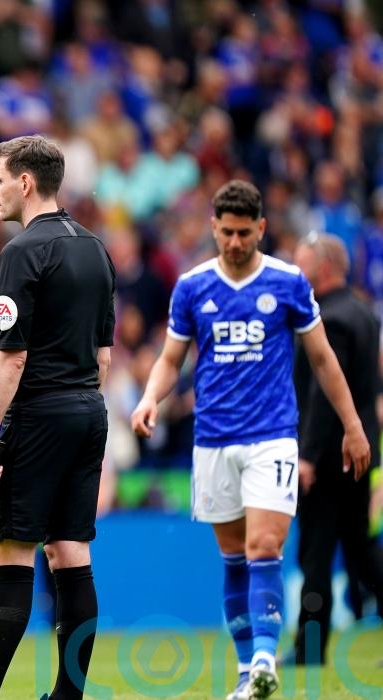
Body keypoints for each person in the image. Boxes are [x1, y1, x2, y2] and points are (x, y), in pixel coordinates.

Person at [131, 181, 371, 700]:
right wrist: (151, 398)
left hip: (272, 437)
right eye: (227, 233)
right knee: (234, 556)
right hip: (213, 441)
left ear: (260, 228)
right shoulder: (192, 286)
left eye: (244, 232)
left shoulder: (288, 282)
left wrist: (353, 425)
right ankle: (248, 672)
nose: (235, 242)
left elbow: (323, 358)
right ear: (214, 228)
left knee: (265, 546)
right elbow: (171, 358)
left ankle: (264, 658)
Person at [0, 135, 115, 700]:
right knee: (71, 552)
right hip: (88, 410)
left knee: (11, 554)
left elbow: (12, 356)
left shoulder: (22, 251)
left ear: (25, 182)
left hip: (39, 413)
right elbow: (104, 356)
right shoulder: (96, 248)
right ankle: (68, 695)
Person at [288, 233, 382, 665]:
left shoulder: (328, 320)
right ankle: (309, 648)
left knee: (316, 553)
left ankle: (309, 650)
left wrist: (307, 455)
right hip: (359, 454)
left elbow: (325, 396)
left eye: (302, 264)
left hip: (329, 457)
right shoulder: (363, 312)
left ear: (323, 268)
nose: (296, 273)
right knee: (361, 551)